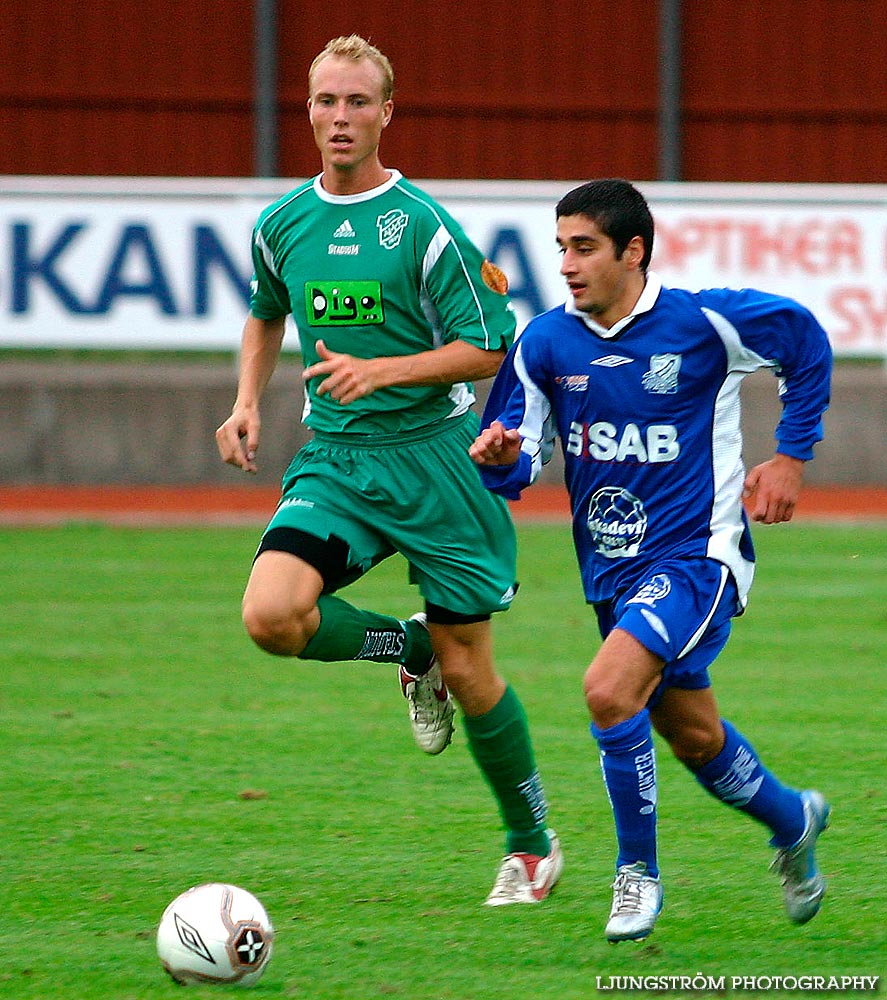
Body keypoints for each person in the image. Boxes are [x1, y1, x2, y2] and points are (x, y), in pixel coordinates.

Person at [215, 34, 562, 905]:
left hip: (435, 464)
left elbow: (488, 345)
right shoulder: (281, 223)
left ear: (385, 113)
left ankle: (530, 848)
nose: (340, 117)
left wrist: (384, 371)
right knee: (271, 615)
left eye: (357, 103)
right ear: (308, 110)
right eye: (325, 101)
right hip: (336, 460)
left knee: (473, 667)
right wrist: (247, 401)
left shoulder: (424, 226)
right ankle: (403, 647)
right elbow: (264, 313)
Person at [470, 178, 832, 939]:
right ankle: (792, 820)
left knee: (607, 691)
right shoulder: (543, 343)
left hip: (698, 560)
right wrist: (499, 457)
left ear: (632, 251)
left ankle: (636, 875)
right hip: (609, 573)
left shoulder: (702, 322)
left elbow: (803, 339)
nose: (566, 264)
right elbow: (511, 461)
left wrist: (790, 456)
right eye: (560, 247)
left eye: (584, 247)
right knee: (693, 736)